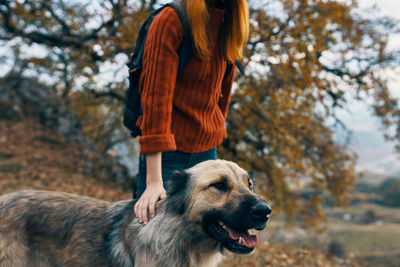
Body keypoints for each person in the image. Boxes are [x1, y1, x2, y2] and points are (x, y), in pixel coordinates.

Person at [134, 0, 249, 224]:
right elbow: (155, 101)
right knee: (151, 238)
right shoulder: (171, 20)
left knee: (205, 241)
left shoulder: (230, 22)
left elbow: (220, 96)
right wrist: (154, 181)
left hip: (207, 154)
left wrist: (213, 137)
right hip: (167, 156)